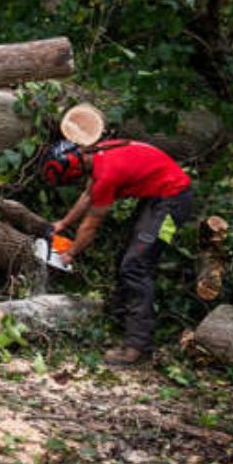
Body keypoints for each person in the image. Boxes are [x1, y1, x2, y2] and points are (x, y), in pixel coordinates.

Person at [42, 127, 193, 367]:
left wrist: (70, 253)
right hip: (157, 197)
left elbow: (91, 224)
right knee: (126, 256)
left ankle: (137, 347)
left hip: (173, 203)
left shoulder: (107, 174)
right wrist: (64, 223)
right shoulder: (98, 152)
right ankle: (120, 323)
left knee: (135, 266)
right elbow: (88, 195)